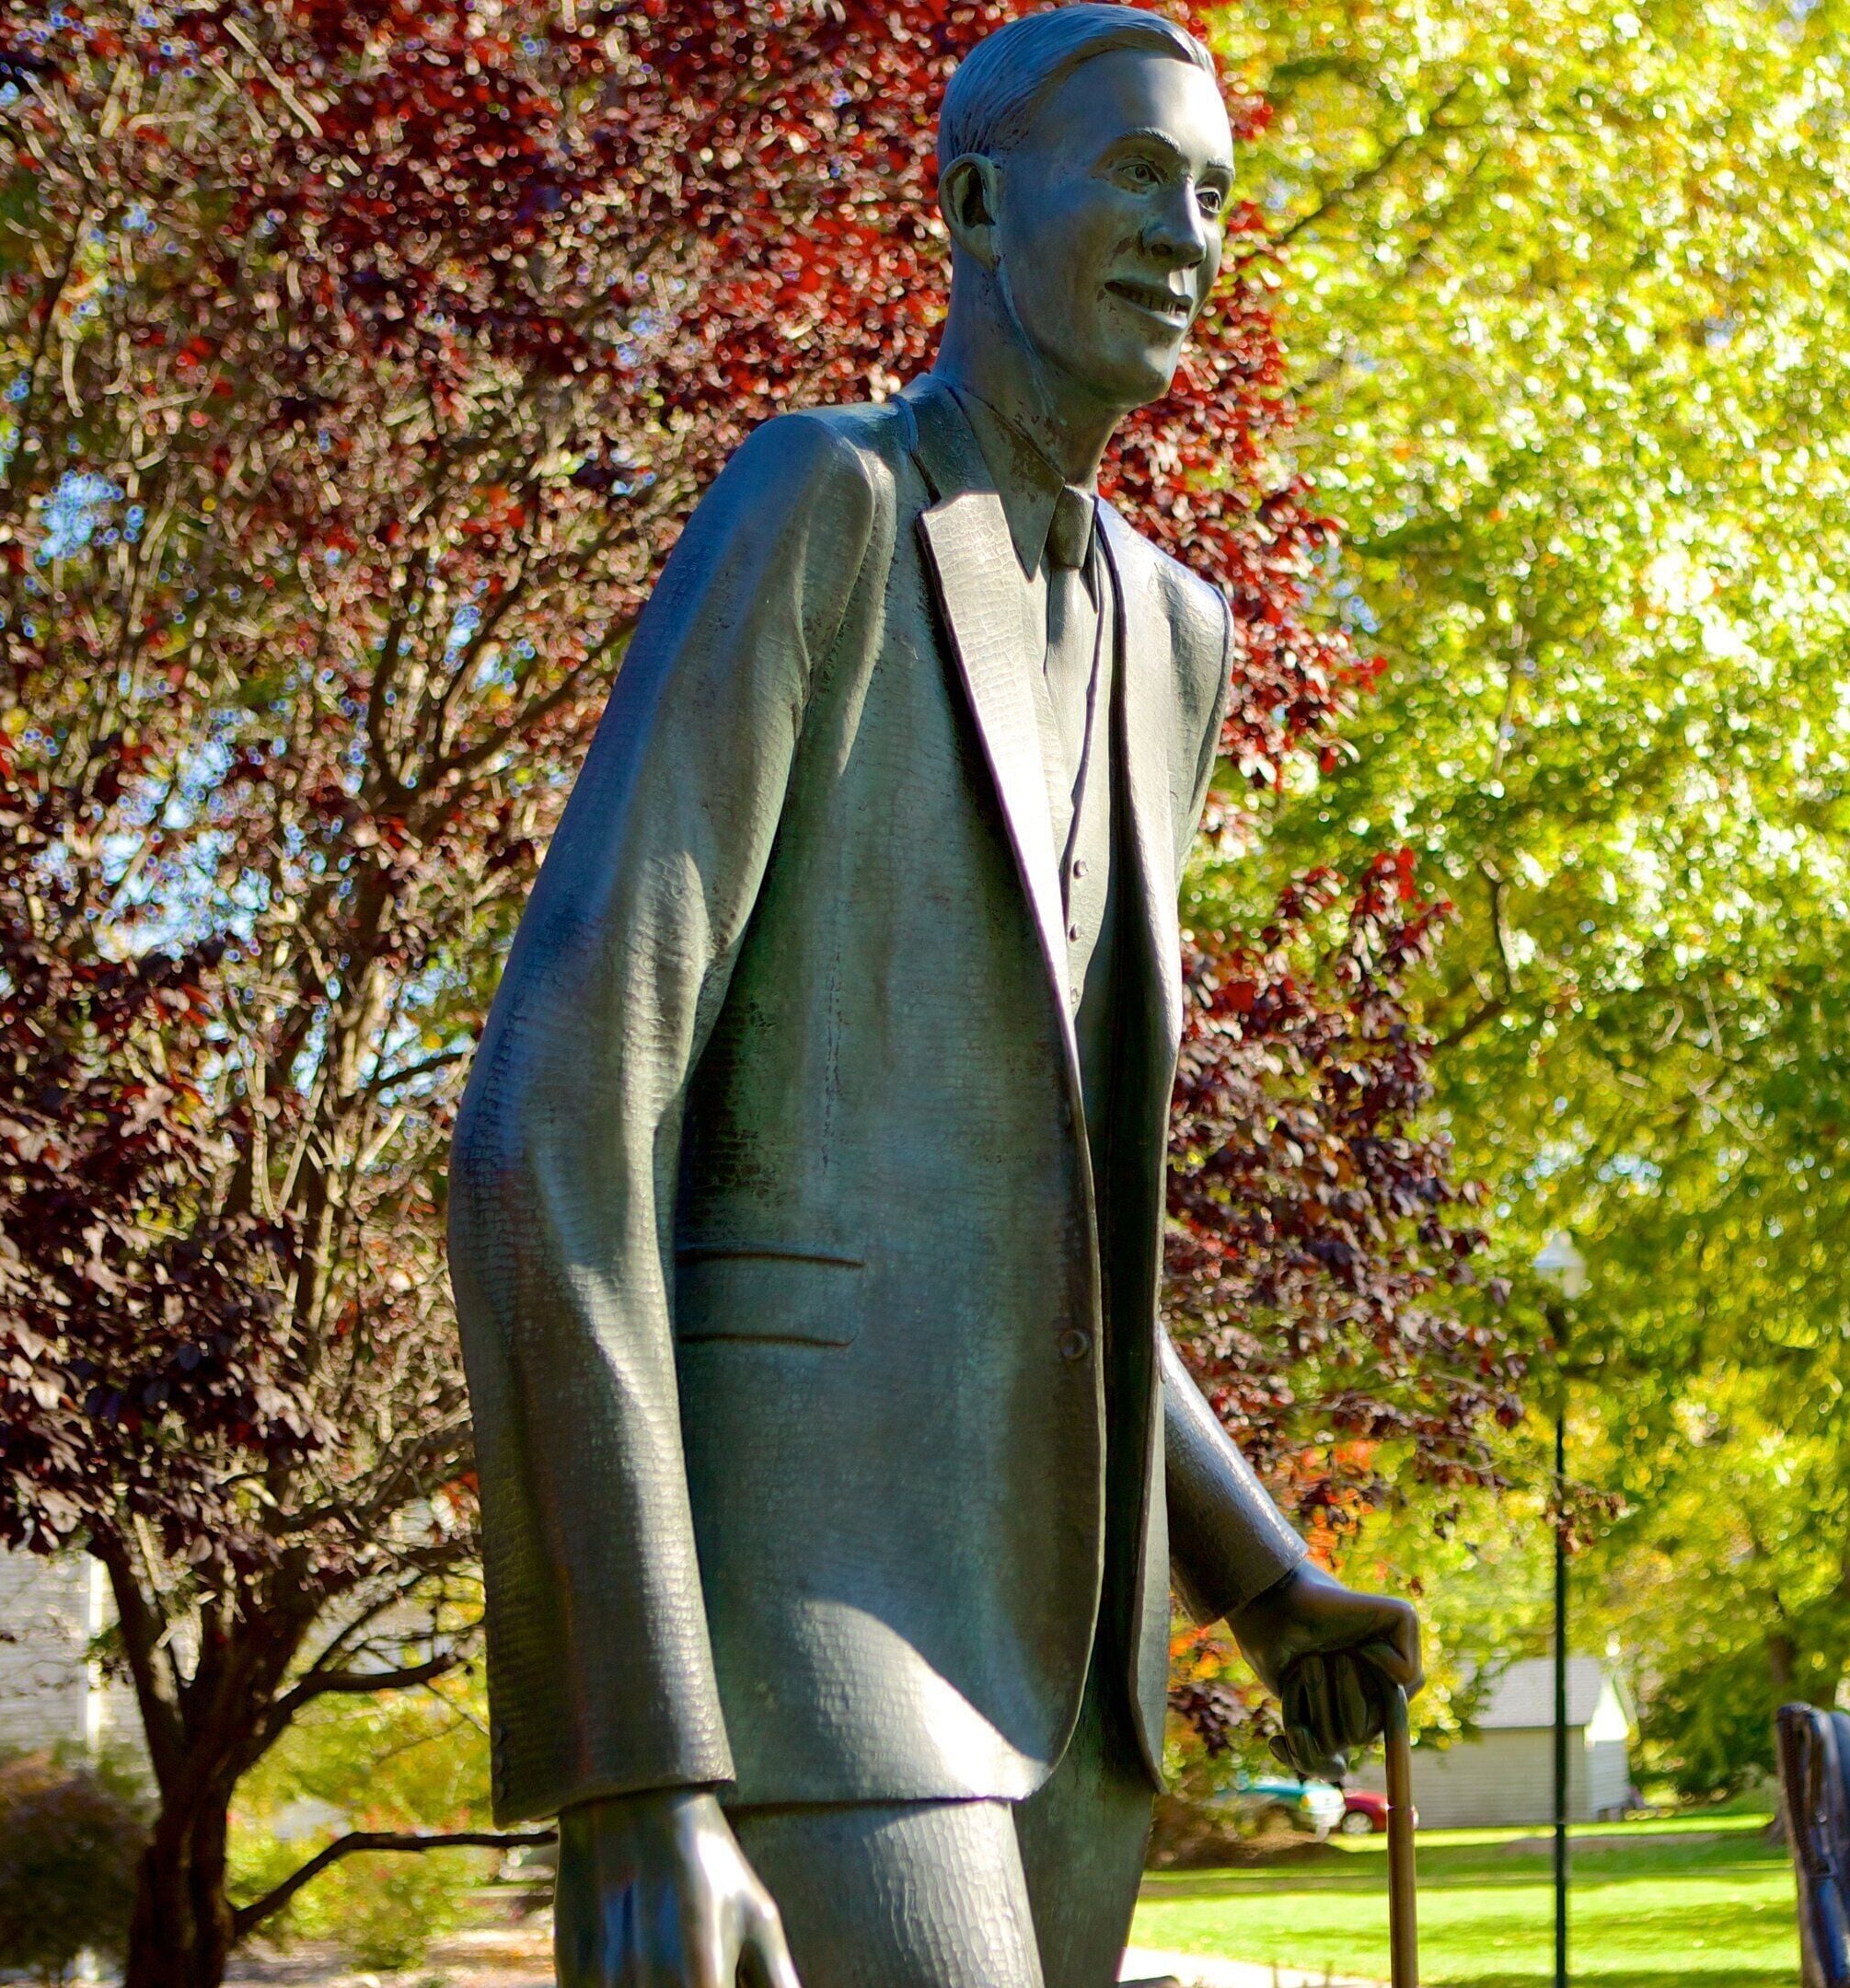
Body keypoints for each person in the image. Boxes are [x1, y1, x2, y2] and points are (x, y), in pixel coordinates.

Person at [444, 12, 1416, 1988]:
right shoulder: (824, 509)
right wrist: (640, 1767)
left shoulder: (1177, 636)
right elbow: (555, 1118)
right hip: (799, 1623)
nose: (1191, 231)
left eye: (1217, 192)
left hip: (1069, 1676)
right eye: (1139, 172)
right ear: (976, 204)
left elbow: (1037, 1224)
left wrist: (1259, 1576)